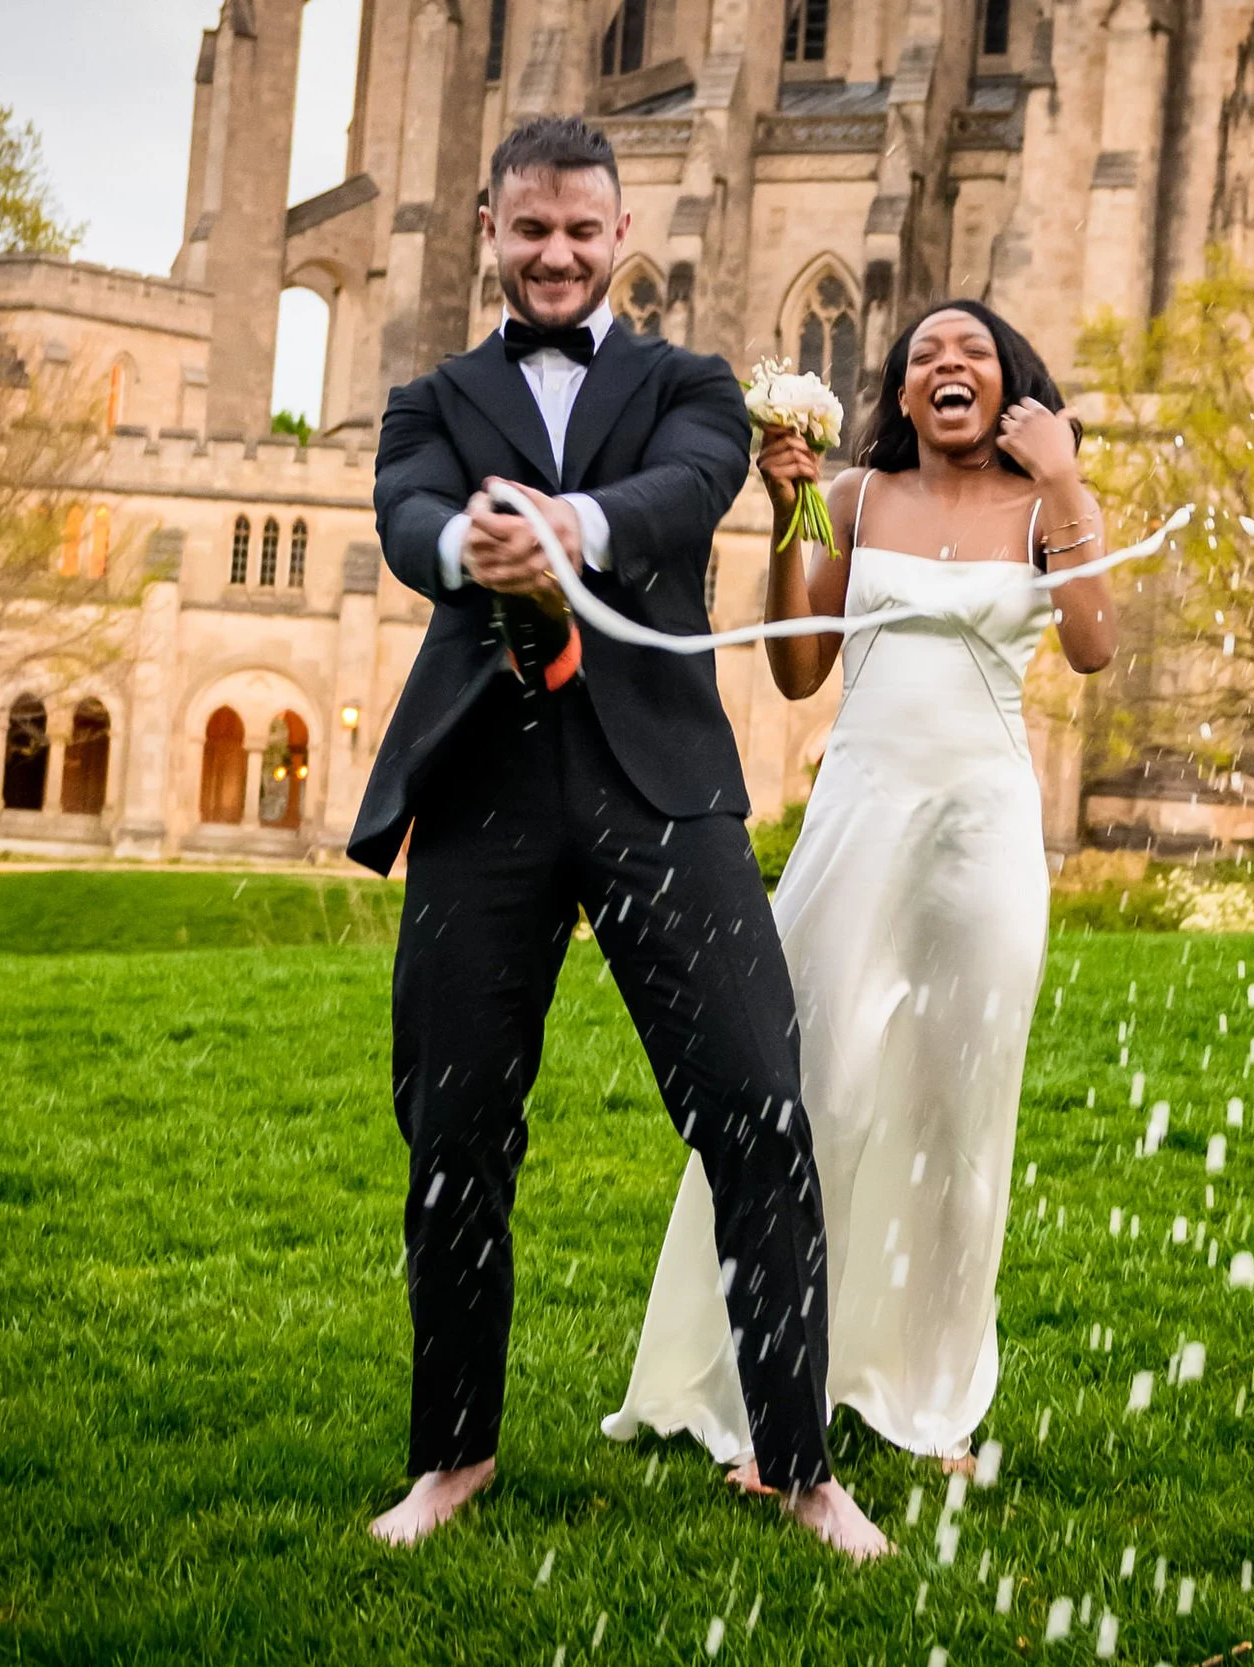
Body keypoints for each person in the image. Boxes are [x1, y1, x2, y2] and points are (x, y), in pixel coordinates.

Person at [346, 114, 887, 1560]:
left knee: (758, 1115)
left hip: (665, 790)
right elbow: (406, 520)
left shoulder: (688, 384)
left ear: (623, 235)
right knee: (454, 1133)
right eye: (531, 229)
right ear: (487, 231)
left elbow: (690, 488)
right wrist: (474, 548)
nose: (558, 254)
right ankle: (451, 1453)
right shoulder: (429, 400)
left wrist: (567, 525)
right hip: (483, 793)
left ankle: (801, 1461)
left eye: (584, 230)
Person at [605, 299, 1114, 1480]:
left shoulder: (1047, 507)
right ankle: (765, 1386)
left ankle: (929, 1400)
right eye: (924, 352)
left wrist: (1071, 482)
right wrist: (787, 505)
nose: (948, 364)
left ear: (1009, 385)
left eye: (972, 351)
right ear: (900, 388)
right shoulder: (850, 499)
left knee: (959, 1118)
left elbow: (1092, 644)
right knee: (811, 1093)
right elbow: (794, 669)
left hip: (983, 839)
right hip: (857, 824)